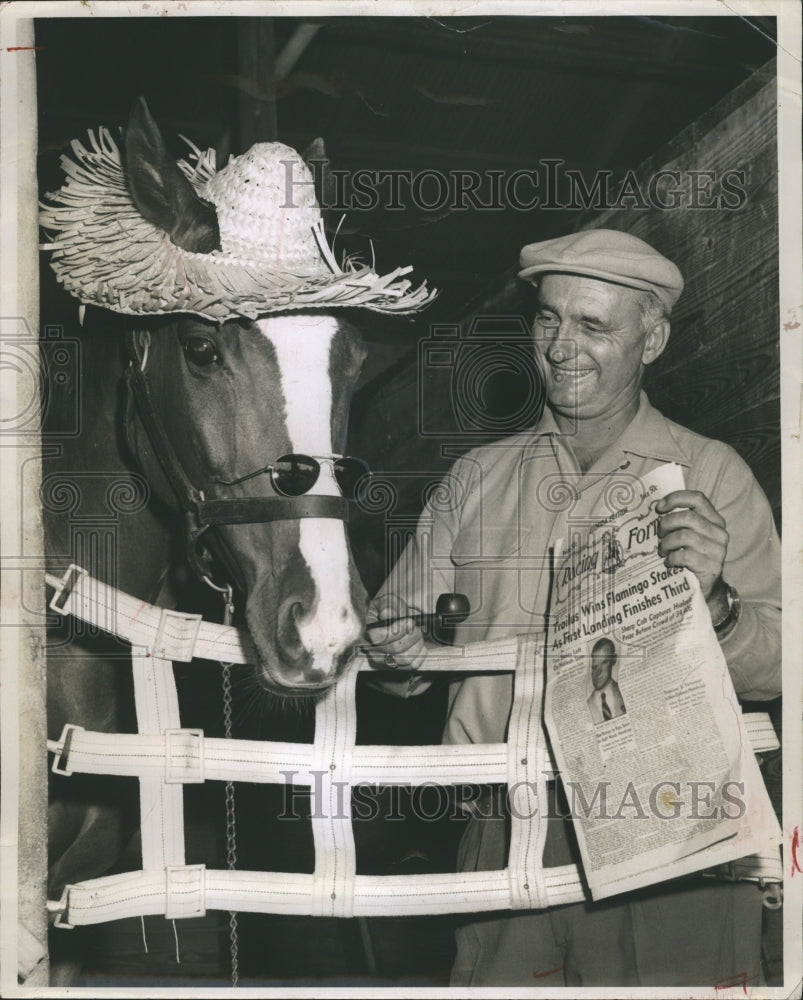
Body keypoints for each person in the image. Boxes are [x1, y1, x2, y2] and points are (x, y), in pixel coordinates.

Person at [365, 228, 781, 987]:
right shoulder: (474, 479)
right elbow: (394, 656)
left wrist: (717, 604)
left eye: (593, 325)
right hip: (504, 819)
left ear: (650, 339)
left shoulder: (710, 474)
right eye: (548, 318)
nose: (561, 346)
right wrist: (394, 653)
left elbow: (779, 667)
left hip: (675, 820)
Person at [586, 638, 626, 724]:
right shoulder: (587, 704)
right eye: (595, 666)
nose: (598, 673)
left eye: (604, 662)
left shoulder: (623, 691)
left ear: (613, 660)